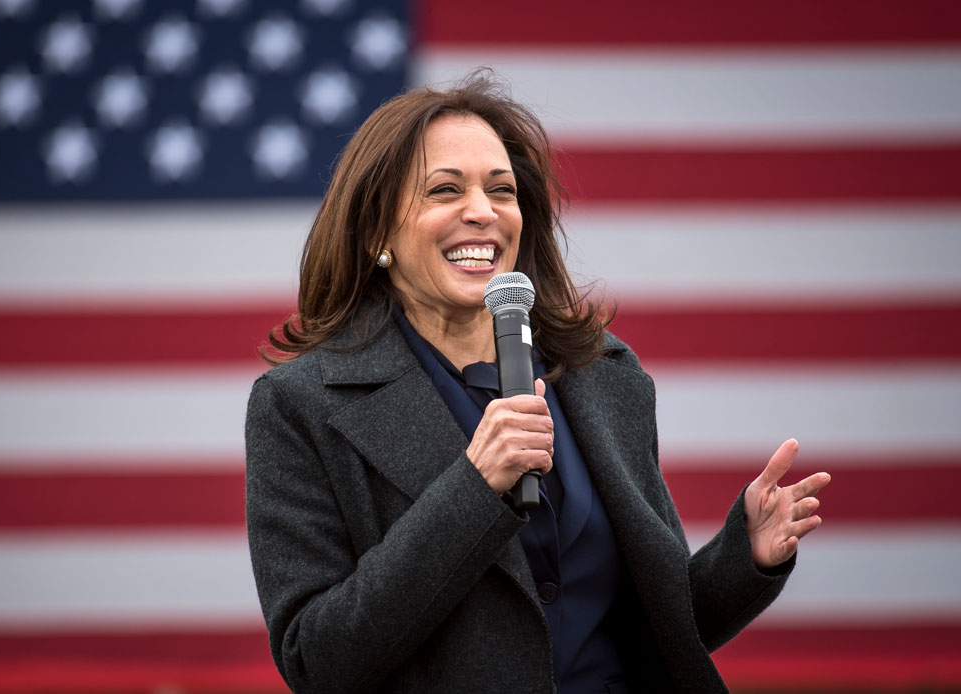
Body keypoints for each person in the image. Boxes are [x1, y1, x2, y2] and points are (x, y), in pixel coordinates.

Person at [245, 73, 831, 694]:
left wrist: (745, 555)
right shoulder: (300, 405)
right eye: (445, 190)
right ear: (375, 234)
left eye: (502, 190)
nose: (483, 211)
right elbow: (317, 661)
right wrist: (475, 487)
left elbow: (655, 632)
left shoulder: (603, 374)